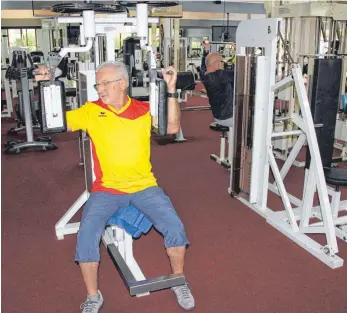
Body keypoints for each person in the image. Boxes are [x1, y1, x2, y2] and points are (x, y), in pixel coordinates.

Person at [36, 61, 195, 313]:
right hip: (106, 190)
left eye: (104, 83)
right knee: (87, 234)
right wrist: (45, 86)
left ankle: (178, 280)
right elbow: (53, 124)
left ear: (122, 84)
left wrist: (171, 91)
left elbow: (173, 127)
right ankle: (92, 296)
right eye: (97, 84)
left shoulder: (143, 110)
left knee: (174, 226)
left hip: (145, 186)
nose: (99, 89)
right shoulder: (91, 111)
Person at [201, 51, 235, 128]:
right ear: (215, 63)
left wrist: (205, 50)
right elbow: (239, 74)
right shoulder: (219, 76)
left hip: (219, 115)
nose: (223, 63)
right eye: (222, 61)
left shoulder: (205, 74)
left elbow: (204, 65)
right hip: (228, 117)